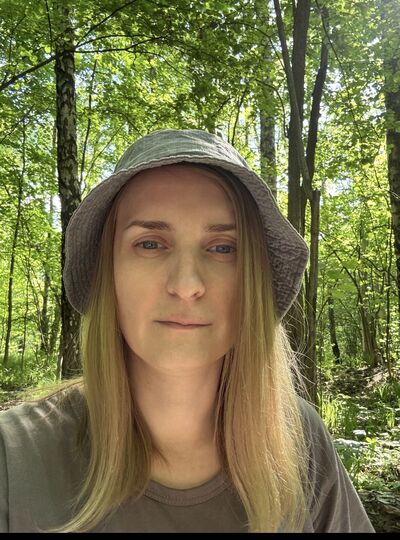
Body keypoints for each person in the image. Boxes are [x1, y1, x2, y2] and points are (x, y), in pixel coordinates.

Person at [0, 129, 375, 533]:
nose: (186, 284)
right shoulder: (13, 457)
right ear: (108, 274)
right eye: (150, 244)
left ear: (252, 281)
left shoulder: (298, 438)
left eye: (223, 248)